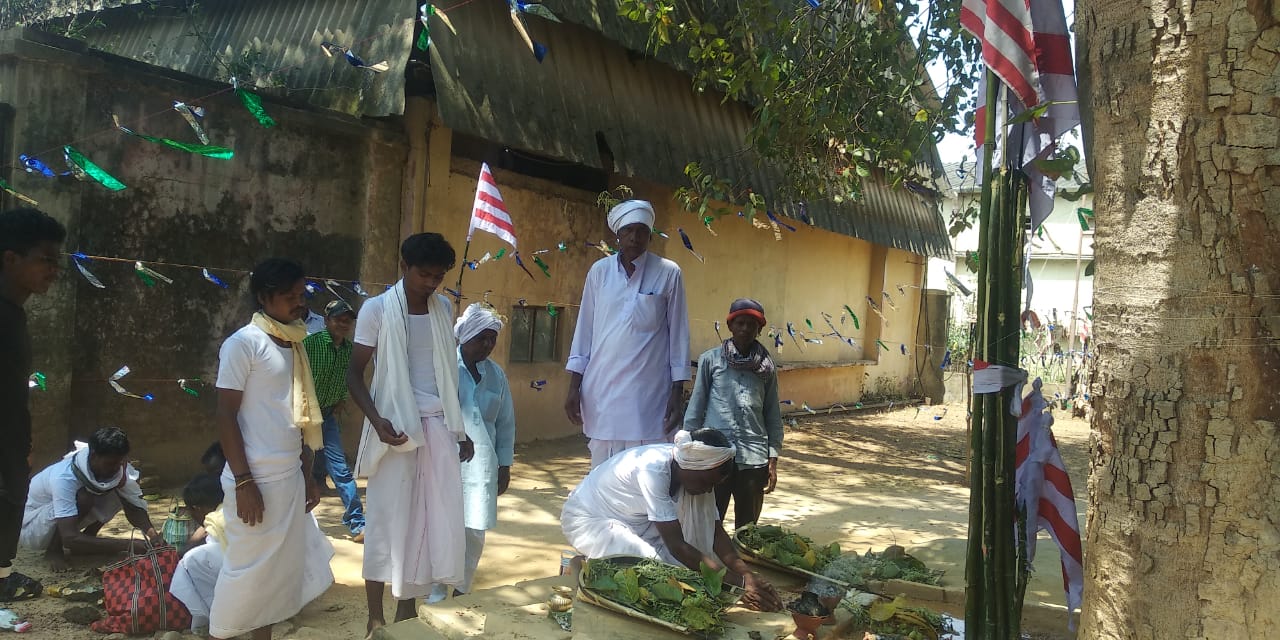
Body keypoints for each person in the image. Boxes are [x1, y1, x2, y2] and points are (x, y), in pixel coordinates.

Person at [347, 233, 474, 632]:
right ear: (404, 267)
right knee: (387, 519)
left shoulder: (443, 308)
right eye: (424, 274)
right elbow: (354, 374)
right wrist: (376, 420)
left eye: (438, 277)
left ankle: (405, 618)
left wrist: (461, 431)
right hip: (396, 432)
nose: (430, 283)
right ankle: (374, 617)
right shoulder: (377, 310)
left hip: (437, 427)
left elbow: (445, 378)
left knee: (424, 521)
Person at [211, 258, 334, 640]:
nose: (300, 303)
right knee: (246, 570)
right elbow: (225, 416)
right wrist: (245, 482)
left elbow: (299, 417)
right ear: (265, 298)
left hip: (289, 478)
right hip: (255, 480)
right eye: (290, 296)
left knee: (275, 573)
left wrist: (308, 475)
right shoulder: (243, 345)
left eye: (301, 295)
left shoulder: (295, 342)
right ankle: (220, 633)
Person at [560, 428, 782, 612]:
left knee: (688, 576)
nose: (708, 490)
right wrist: (738, 585)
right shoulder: (652, 470)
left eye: (714, 485)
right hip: (590, 519)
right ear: (692, 467)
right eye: (707, 482)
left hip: (638, 520)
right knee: (660, 573)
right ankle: (581, 563)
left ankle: (603, 559)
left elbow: (714, 533)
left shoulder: (700, 471)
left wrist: (746, 575)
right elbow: (678, 546)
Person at [565, 200, 691, 468]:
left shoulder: (669, 273)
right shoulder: (599, 272)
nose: (635, 237)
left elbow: (679, 335)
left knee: (648, 474)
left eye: (642, 231)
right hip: (602, 392)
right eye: (629, 230)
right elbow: (583, 330)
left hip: (649, 397)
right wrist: (573, 387)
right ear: (618, 234)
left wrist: (676, 394)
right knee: (601, 475)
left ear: (650, 235)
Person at [427, 303, 516, 602]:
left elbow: (505, 424)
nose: (488, 345)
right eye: (482, 338)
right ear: (466, 337)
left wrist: (504, 466)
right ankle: (437, 593)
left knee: (475, 532)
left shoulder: (497, 376)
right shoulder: (445, 368)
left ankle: (462, 591)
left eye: (492, 339)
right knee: (443, 529)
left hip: (483, 469)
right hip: (446, 463)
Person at [172, 471, 332, 635]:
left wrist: (183, 549)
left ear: (197, 508)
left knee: (190, 562)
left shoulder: (218, 518)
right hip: (287, 572)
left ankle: (210, 620)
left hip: (257, 576)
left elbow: (202, 538)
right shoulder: (271, 495)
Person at [0, 208, 64, 601]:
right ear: (10, 258)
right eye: (46, 260)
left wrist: (20, 449)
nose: (54, 270)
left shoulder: (14, 316)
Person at [683, 298, 783, 527]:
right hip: (715, 455)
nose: (745, 329)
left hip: (753, 458)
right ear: (730, 326)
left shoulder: (767, 367)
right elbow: (696, 405)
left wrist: (773, 457)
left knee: (747, 528)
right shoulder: (711, 360)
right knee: (709, 521)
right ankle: (711, 563)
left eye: (751, 324)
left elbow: (772, 413)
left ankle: (742, 562)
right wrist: (687, 449)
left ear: (760, 329)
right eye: (740, 323)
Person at [20, 427, 163, 571]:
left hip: (59, 522)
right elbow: (69, 537)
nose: (115, 468)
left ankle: (87, 541)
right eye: (110, 464)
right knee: (84, 498)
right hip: (33, 528)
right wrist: (127, 544)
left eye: (119, 463)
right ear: (93, 455)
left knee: (118, 492)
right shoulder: (64, 477)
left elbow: (133, 506)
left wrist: (153, 535)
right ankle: (54, 550)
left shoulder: (118, 468)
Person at [302, 299, 365, 541]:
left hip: (327, 415)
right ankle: (295, 524)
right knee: (298, 468)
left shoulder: (349, 350)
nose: (344, 323)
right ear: (326, 320)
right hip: (304, 416)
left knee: (341, 470)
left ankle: (357, 523)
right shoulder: (310, 344)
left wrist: (340, 399)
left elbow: (347, 379)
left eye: (348, 320)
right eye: (339, 318)